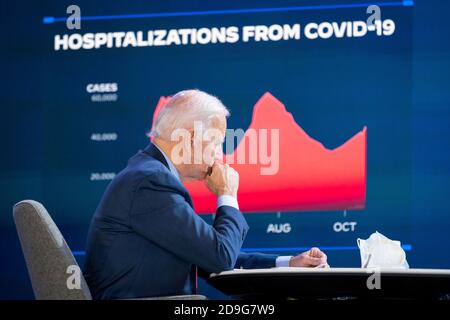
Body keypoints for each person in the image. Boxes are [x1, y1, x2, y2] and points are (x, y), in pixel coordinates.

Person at [83, 89, 327, 299]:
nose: (219, 155)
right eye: (217, 142)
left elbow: (207, 254)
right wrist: (227, 194)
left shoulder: (149, 173)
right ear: (191, 137)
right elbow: (219, 257)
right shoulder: (150, 181)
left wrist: (288, 264)